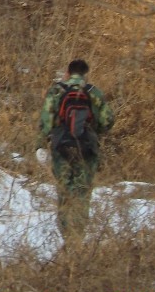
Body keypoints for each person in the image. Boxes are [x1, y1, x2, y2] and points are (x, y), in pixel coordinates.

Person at [39, 58, 115, 239]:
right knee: (82, 193)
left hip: (61, 149)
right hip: (87, 149)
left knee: (64, 192)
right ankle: (78, 238)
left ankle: (67, 237)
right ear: (84, 74)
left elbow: (45, 123)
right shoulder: (93, 92)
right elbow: (108, 121)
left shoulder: (56, 91)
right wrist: (94, 130)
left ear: (68, 73)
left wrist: (40, 146)